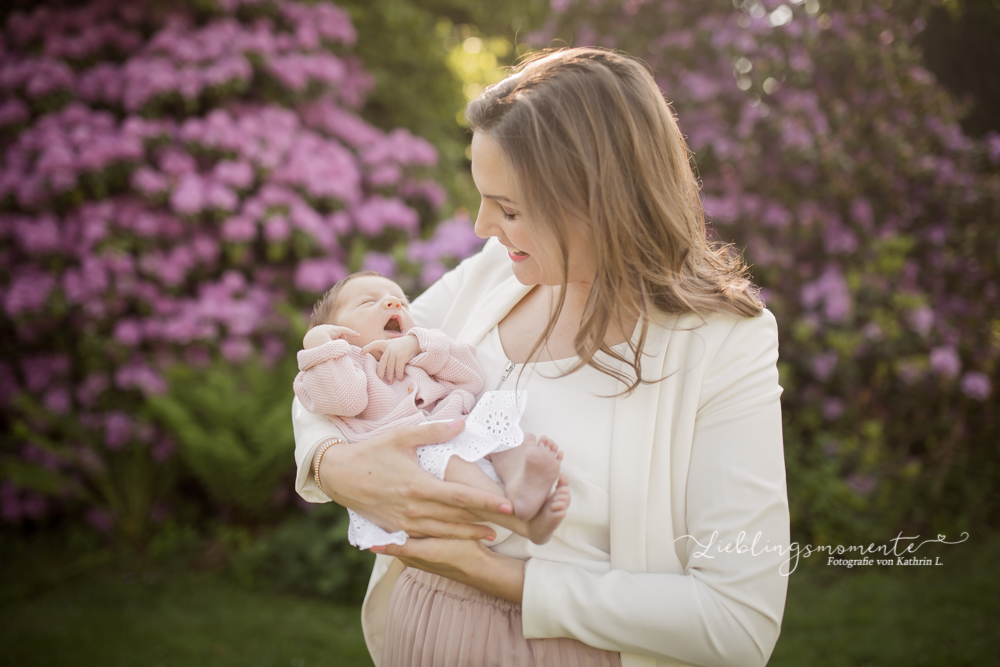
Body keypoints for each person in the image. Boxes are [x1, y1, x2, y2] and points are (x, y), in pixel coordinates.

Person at [292, 47, 789, 667]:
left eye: (509, 209)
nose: (480, 227)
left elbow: (736, 623)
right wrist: (332, 464)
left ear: (600, 202)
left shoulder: (722, 344)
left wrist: (496, 576)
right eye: (483, 197)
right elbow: (341, 358)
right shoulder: (498, 273)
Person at [293, 270, 570, 549]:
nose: (394, 303)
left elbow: (471, 377)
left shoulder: (421, 355)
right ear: (336, 333)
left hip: (460, 430)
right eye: (367, 302)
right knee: (447, 459)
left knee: (502, 428)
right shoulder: (342, 365)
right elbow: (345, 401)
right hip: (412, 459)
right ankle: (519, 520)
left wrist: (417, 344)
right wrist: (322, 349)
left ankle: (521, 482)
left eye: (403, 301)